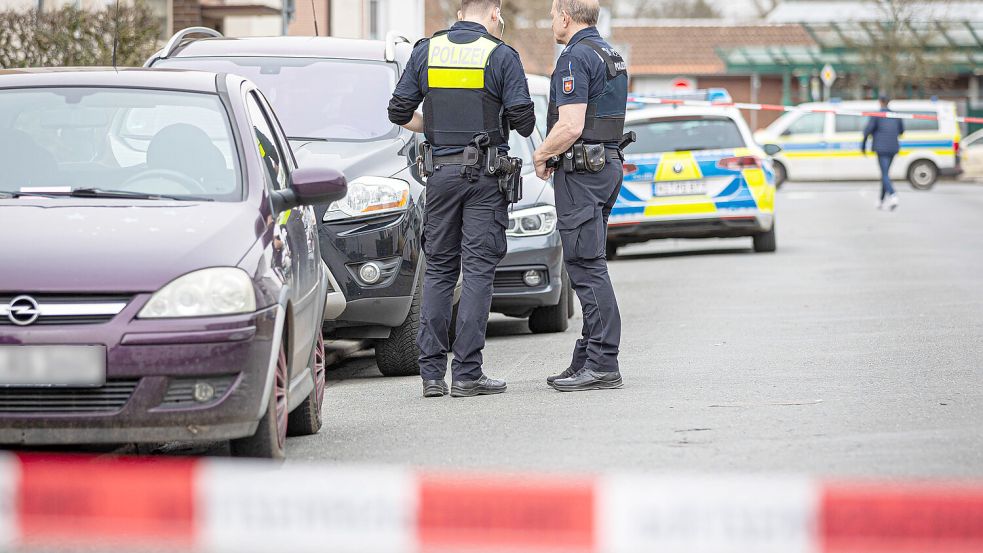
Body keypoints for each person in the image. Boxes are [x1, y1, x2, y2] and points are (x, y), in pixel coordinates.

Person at [387, 0, 535, 398]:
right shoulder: (500, 54)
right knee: (478, 272)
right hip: (486, 177)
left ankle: (432, 374)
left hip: (440, 174)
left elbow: (398, 110)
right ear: (494, 12)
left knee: (438, 270)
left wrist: (433, 128)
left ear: (459, 12)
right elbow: (525, 121)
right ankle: (468, 373)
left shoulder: (427, 50)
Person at [532, 0, 628, 392]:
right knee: (589, 260)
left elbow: (570, 125)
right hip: (605, 166)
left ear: (566, 17)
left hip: (582, 173)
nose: (552, 21)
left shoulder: (574, 58)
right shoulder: (611, 54)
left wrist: (541, 154)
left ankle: (603, 362)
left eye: (553, 14)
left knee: (586, 266)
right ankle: (587, 357)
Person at [862, 95, 904, 211]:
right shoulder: (895, 115)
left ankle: (893, 195)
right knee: (885, 174)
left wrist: (863, 147)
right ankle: (880, 201)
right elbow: (901, 131)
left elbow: (866, 132)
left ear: (880, 102)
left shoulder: (877, 115)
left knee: (885, 174)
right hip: (893, 148)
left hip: (881, 149)